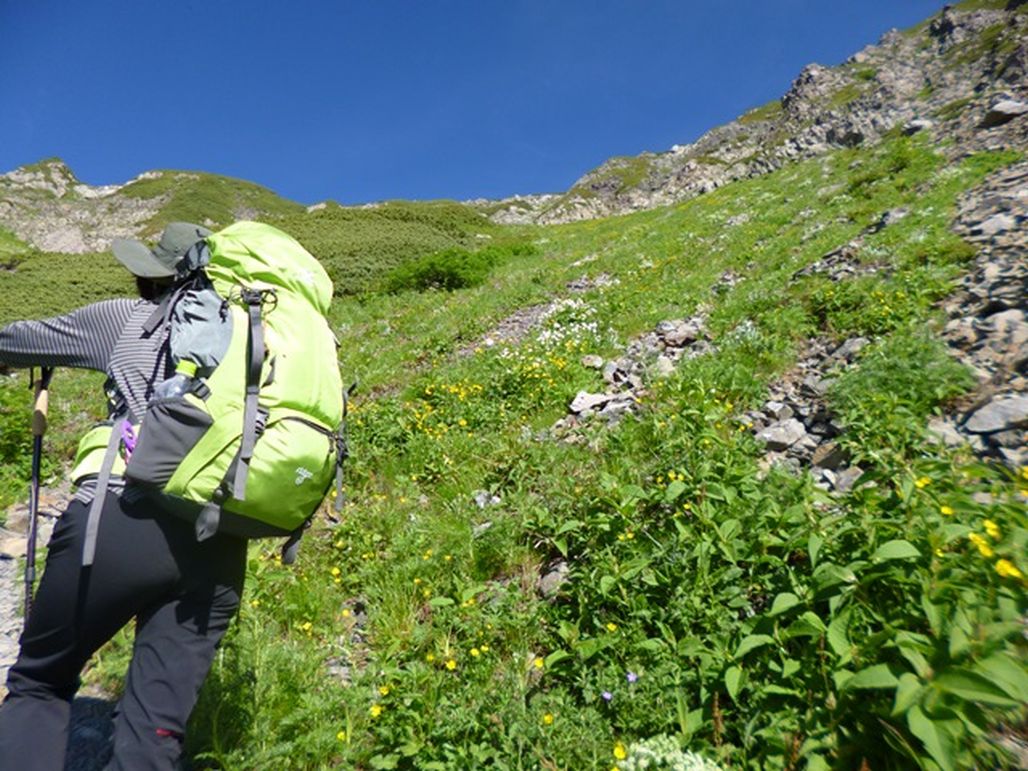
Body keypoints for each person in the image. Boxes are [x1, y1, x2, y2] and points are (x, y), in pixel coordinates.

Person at [0, 223, 247, 770]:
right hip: (220, 539)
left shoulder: (124, 317)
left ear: (152, 274)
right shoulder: (256, 336)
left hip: (124, 517)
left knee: (41, 682)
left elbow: (11, 340)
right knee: (153, 730)